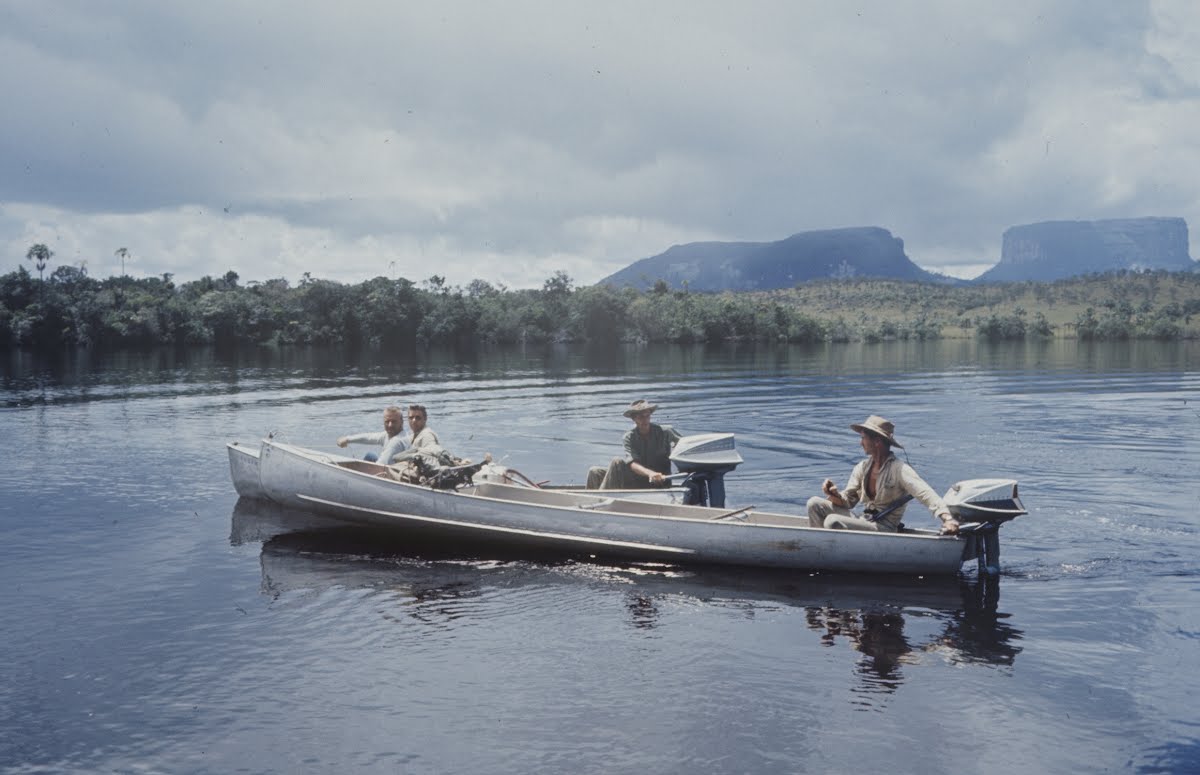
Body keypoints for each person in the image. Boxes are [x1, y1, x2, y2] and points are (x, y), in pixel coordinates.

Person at [807, 415, 959, 535]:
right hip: (864, 520)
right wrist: (833, 494)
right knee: (814, 503)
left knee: (833, 521)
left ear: (877, 441)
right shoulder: (862, 467)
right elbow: (848, 502)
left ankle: (831, 551)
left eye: (863, 438)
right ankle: (820, 548)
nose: (861, 443)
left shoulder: (899, 469)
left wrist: (948, 519)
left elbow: (926, 494)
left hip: (884, 528)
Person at [586, 399, 682, 490]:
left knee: (616, 462)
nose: (645, 420)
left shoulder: (665, 431)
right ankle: (591, 499)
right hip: (637, 480)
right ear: (634, 419)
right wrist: (650, 473)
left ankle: (601, 498)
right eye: (640, 417)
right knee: (595, 471)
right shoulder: (629, 437)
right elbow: (632, 464)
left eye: (647, 416)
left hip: (660, 482)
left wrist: (679, 458)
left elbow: (686, 445)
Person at [336, 405, 408, 464]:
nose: (390, 425)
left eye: (394, 421)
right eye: (387, 421)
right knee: (370, 456)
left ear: (401, 422)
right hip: (390, 467)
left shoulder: (397, 441)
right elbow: (368, 437)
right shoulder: (390, 434)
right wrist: (347, 439)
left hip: (392, 475)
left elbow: (380, 465)